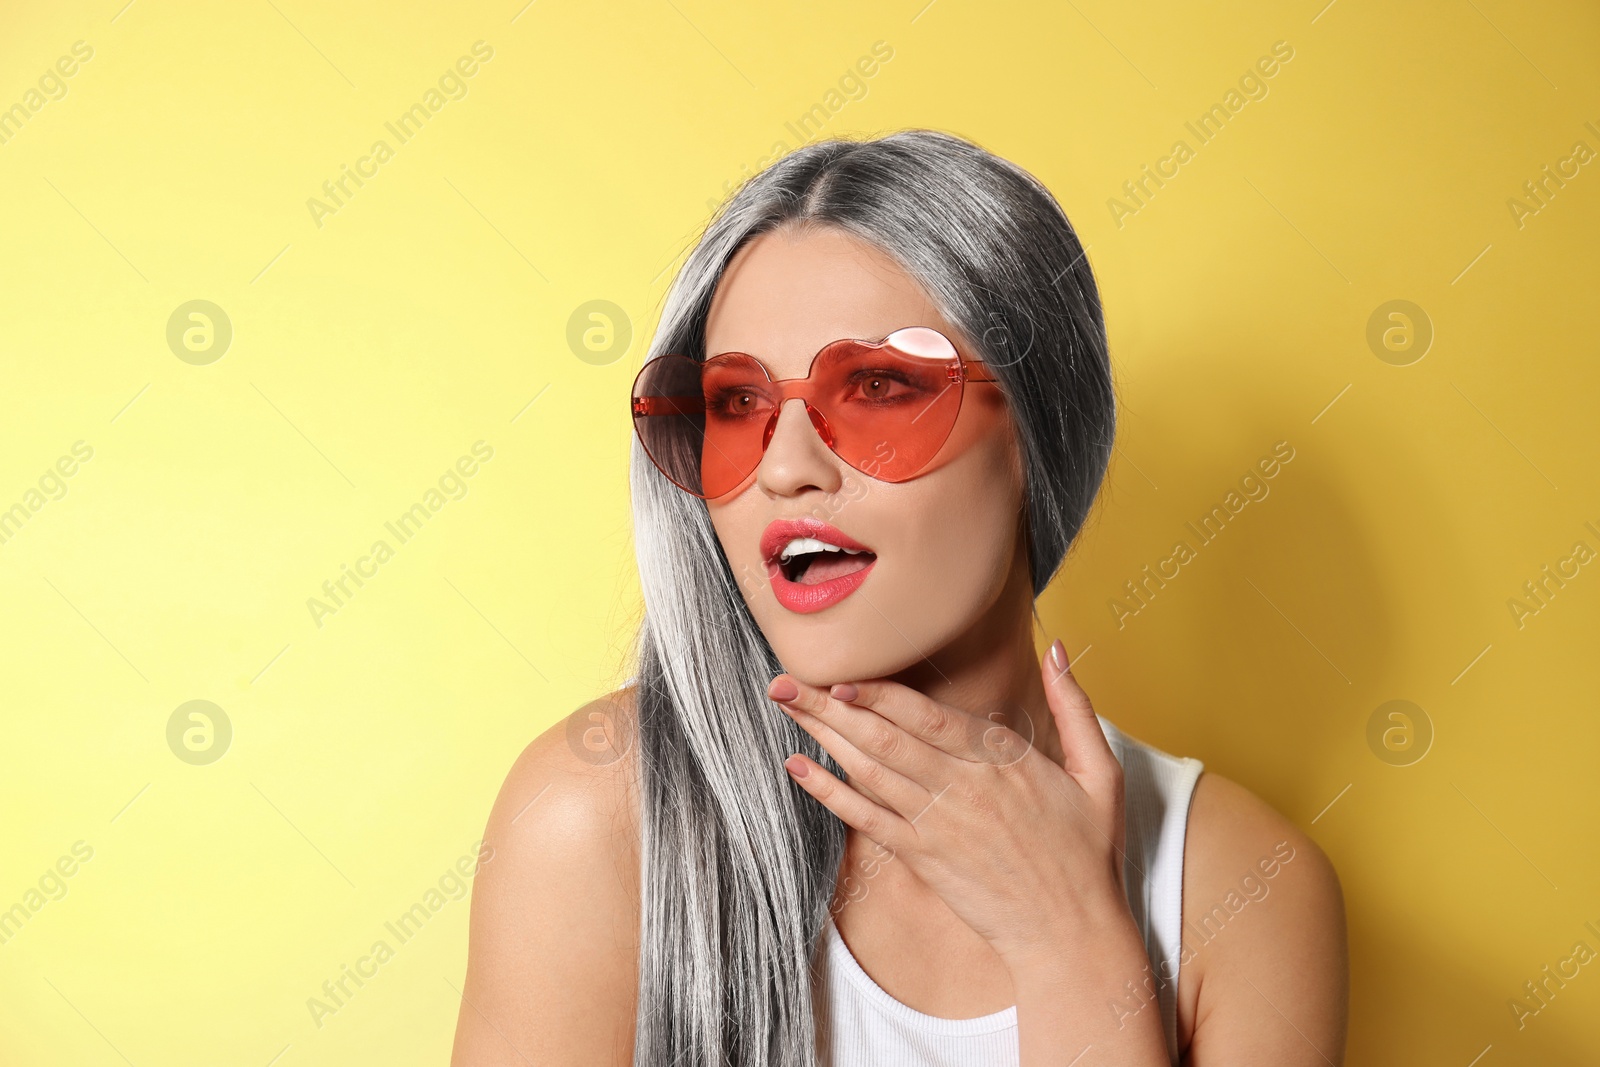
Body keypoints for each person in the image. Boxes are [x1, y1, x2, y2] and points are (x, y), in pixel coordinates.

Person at [449, 129, 1348, 1066]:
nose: (787, 468)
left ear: (1038, 433)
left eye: (878, 387)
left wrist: (1070, 945)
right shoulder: (593, 820)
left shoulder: (1241, 886)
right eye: (738, 405)